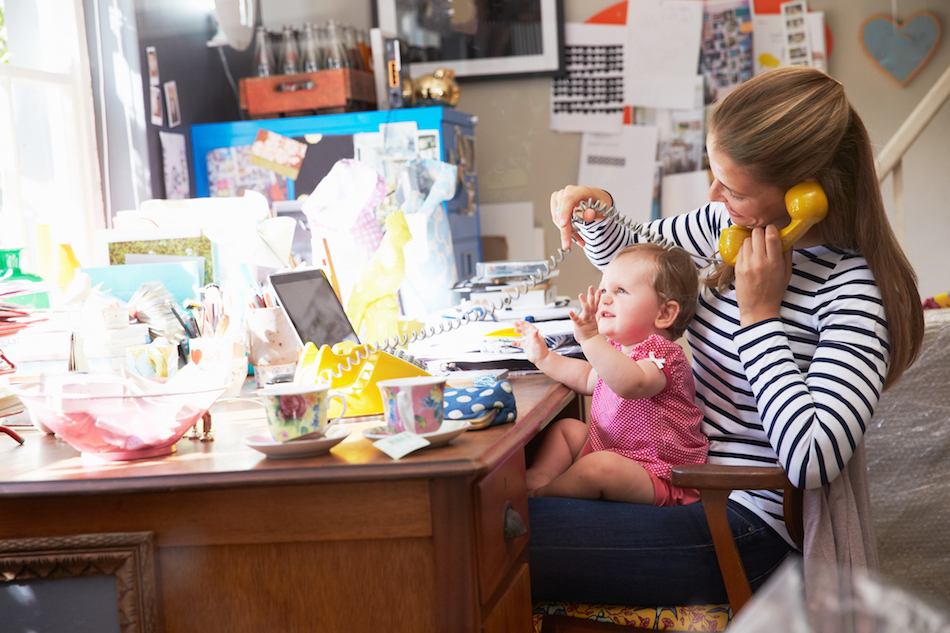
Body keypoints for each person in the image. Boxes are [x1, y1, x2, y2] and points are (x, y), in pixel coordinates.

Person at [530, 65, 924, 606]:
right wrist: (596, 213)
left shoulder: (851, 292)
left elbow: (811, 459)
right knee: (499, 512)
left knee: (505, 536)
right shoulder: (728, 229)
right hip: (681, 485)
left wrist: (758, 318)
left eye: (732, 186)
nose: (714, 196)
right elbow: (642, 261)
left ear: (805, 194)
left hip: (745, 528)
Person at [515, 243, 707, 506]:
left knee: (599, 468)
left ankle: (543, 496)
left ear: (664, 313)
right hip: (614, 452)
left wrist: (591, 339)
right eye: (604, 289)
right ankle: (541, 476)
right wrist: (544, 357)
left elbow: (631, 383)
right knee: (567, 430)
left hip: (659, 474)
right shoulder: (616, 350)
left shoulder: (664, 356)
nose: (605, 298)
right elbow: (586, 377)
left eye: (621, 291)